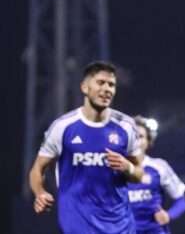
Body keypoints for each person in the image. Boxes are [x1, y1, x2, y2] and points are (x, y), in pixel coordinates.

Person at [29, 61, 144, 234]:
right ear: (84, 87)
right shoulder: (62, 127)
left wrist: (127, 167)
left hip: (121, 227)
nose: (107, 89)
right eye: (100, 83)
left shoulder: (126, 126)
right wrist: (39, 192)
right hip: (78, 226)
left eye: (111, 85)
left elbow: (139, 174)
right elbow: (38, 168)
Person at [128, 116, 185, 234]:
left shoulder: (159, 167)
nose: (137, 140)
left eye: (140, 136)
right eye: (133, 136)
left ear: (148, 141)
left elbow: (182, 200)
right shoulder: (117, 168)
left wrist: (168, 215)